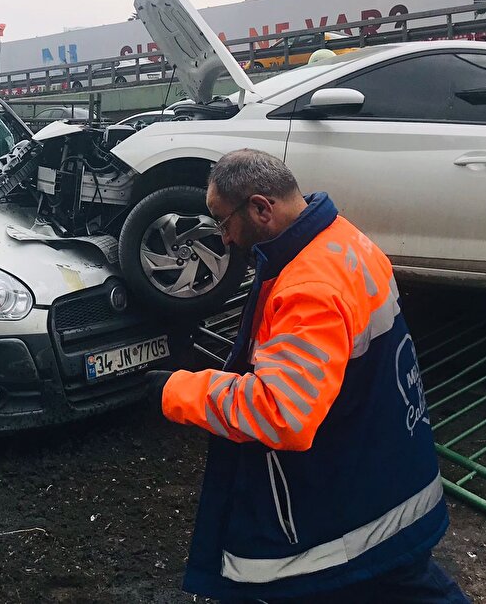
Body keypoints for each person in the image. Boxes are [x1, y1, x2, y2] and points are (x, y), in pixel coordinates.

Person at [147, 149, 467, 603]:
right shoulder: (346, 240)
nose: (224, 239)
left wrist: (176, 389)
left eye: (223, 222)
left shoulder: (308, 288)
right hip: (387, 465)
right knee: (407, 582)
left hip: (347, 509)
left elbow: (282, 413)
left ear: (261, 207)